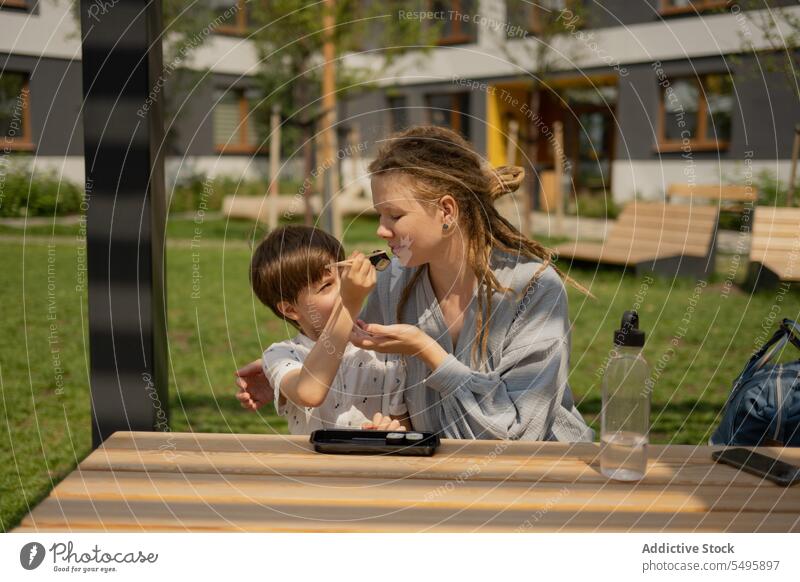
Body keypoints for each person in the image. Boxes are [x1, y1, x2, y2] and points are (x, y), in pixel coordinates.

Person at [238, 125, 593, 441]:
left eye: (394, 215)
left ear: (447, 212)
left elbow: (522, 432)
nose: (380, 229)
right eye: (379, 214)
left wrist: (428, 351)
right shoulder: (393, 283)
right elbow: (343, 336)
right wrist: (285, 371)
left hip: (541, 477)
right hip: (441, 482)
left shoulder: (533, 289)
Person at [249, 225, 408, 434]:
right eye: (326, 286)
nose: (344, 287)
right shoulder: (280, 356)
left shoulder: (380, 348)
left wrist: (393, 430)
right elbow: (309, 392)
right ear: (290, 309)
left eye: (342, 276)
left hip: (374, 465)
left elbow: (403, 422)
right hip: (312, 467)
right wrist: (348, 304)